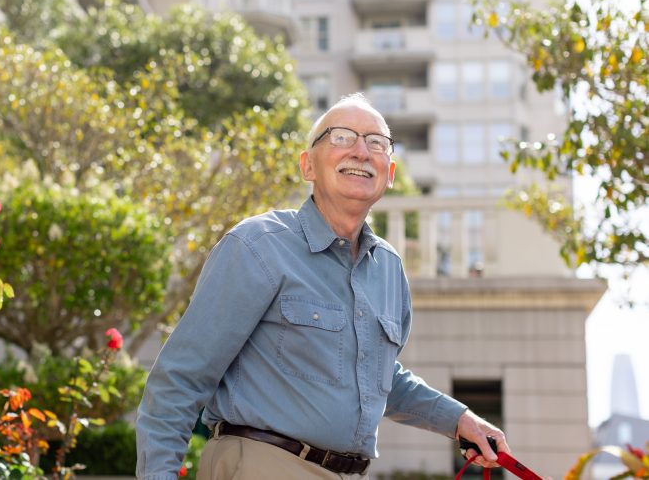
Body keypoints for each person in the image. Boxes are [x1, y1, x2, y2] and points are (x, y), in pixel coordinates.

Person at [135, 94, 510, 480]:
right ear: (307, 166)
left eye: (377, 142)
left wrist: (460, 419)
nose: (362, 151)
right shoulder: (257, 246)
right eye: (342, 137)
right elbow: (179, 380)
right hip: (263, 465)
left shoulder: (389, 269)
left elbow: (375, 377)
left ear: (390, 173)